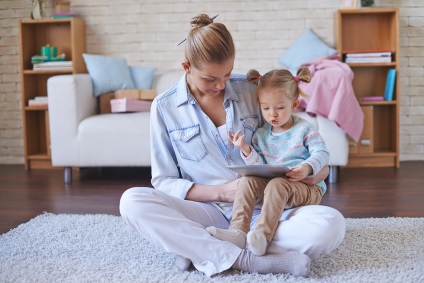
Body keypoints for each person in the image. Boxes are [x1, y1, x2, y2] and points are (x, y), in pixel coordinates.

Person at [119, 14, 346, 278]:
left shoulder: (250, 90)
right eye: (210, 79)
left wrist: (312, 171)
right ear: (186, 66)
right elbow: (164, 180)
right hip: (208, 211)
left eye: (226, 75)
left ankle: (199, 247)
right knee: (132, 202)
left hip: (265, 209)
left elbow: (291, 141)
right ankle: (248, 260)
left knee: (331, 225)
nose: (220, 85)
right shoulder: (165, 107)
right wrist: (221, 193)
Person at [206, 67, 329, 257]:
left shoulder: (304, 129)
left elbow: (322, 152)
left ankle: (262, 236)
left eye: (280, 108)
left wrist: (306, 167)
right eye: (266, 108)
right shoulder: (261, 134)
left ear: (294, 105)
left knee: (278, 184)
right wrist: (246, 149)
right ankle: (237, 232)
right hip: (276, 186)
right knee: (247, 181)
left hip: (306, 189)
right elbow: (260, 165)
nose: (273, 114)